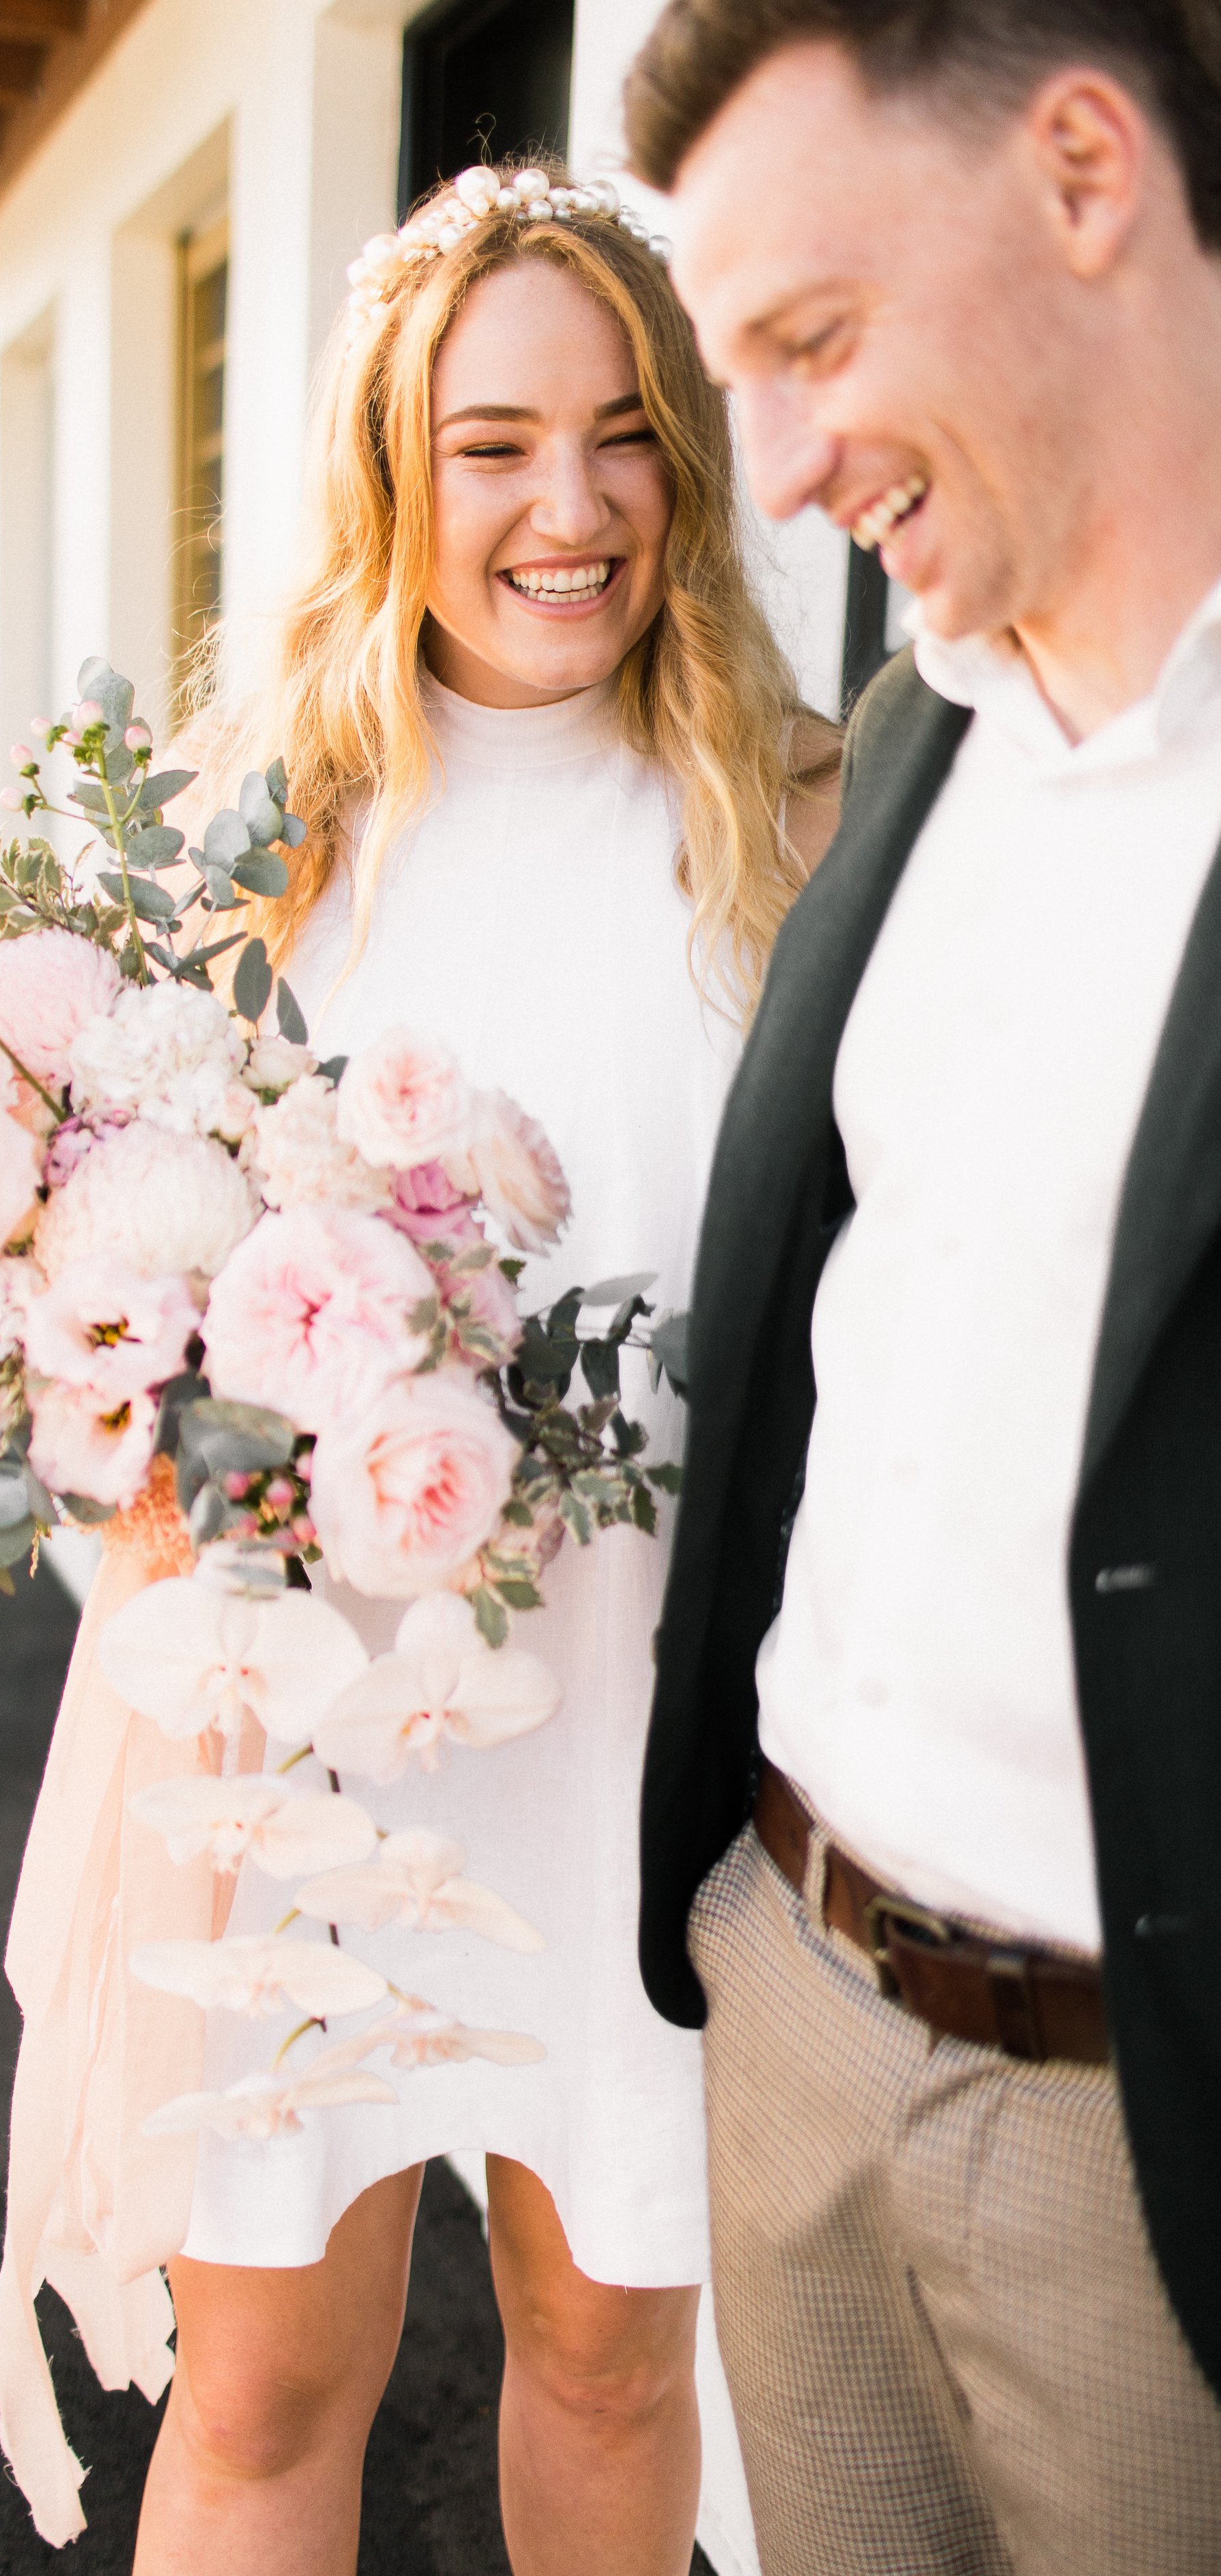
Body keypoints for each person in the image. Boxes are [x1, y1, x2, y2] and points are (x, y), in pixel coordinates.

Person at [0, 162, 838, 2576]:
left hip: (657, 1719)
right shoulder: (254, 842)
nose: (563, 509)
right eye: (490, 444)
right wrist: (137, 1460)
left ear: (684, 450)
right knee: (265, 2381)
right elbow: (100, 1304)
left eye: (621, 433)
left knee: (601, 2348)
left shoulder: (794, 826)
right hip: (304, 1719)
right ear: (394, 466)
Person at [622, 6, 1221, 2573]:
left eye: (812, 339)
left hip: (1144, 2142)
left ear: (1084, 170)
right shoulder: (907, 754)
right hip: (787, 1990)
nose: (760, 473)